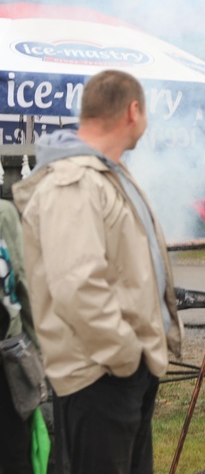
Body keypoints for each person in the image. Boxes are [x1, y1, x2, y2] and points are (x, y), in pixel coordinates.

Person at [12, 70, 183, 473]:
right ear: (133, 110)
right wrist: (125, 356)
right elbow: (78, 287)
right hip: (101, 376)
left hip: (121, 372)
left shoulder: (106, 173)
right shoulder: (74, 181)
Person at [0, 200, 35, 473]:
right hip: (7, 356)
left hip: (7, 355)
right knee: (13, 455)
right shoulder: (3, 213)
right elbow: (23, 282)